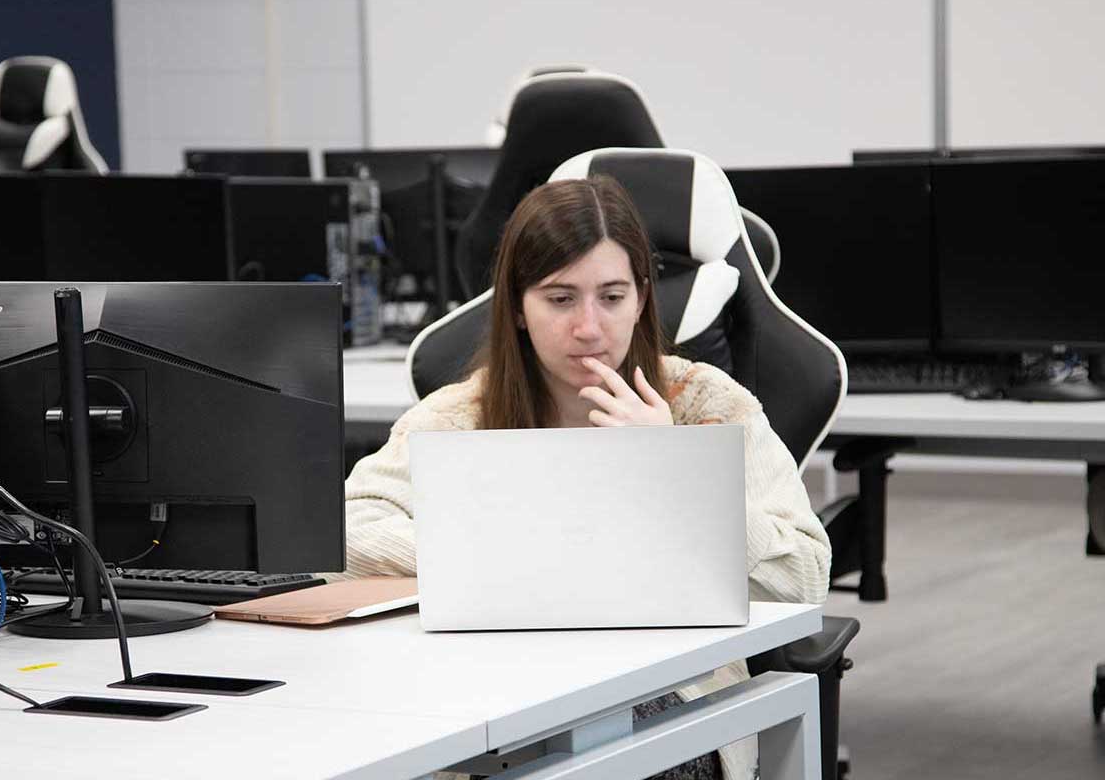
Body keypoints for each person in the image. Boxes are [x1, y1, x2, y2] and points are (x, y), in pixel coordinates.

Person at [335, 175, 831, 780]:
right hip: (493, 687)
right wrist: (520, 554)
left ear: (643, 299)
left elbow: (804, 576)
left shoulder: (704, 404)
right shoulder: (466, 414)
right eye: (560, 298)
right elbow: (347, 531)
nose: (589, 327)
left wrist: (673, 474)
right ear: (517, 307)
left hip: (666, 690)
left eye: (612, 297)